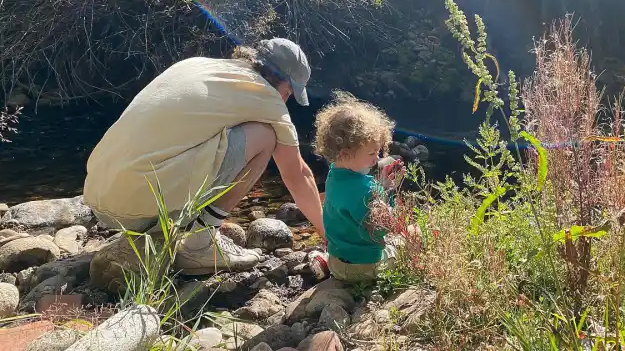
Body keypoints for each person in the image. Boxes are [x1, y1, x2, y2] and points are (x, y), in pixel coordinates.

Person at [83, 38, 324, 275]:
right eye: (289, 91)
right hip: (135, 212)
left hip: (99, 200)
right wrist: (329, 236)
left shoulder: (196, 65)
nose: (286, 99)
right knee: (265, 136)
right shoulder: (266, 97)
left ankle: (172, 230)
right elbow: (297, 174)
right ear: (277, 79)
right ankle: (199, 245)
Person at [311, 92, 407, 283]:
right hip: (363, 268)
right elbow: (383, 228)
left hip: (337, 261)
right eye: (372, 153)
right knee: (410, 235)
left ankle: (324, 261)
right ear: (346, 154)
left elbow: (354, 206)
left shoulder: (333, 175)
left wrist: (381, 185)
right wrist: (389, 190)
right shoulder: (367, 189)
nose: (376, 159)